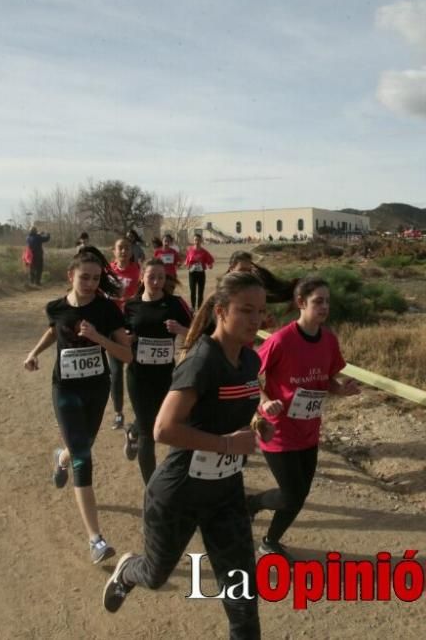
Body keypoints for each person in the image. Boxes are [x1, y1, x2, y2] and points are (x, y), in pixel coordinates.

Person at [103, 272, 267, 639]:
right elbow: (163, 429)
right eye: (246, 310)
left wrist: (257, 425)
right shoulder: (201, 361)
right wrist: (227, 445)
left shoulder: (249, 362)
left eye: (261, 311)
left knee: (243, 600)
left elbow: (234, 411)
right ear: (221, 311)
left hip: (225, 496)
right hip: (178, 496)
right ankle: (128, 569)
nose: (256, 320)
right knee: (155, 575)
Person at [23, 246, 133, 564]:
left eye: (96, 278)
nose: (90, 283)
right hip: (65, 390)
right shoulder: (56, 307)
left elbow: (126, 355)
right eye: (84, 277)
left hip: (96, 391)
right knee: (84, 459)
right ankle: (95, 540)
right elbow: (53, 330)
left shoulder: (108, 310)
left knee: (79, 447)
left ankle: (61, 458)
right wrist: (33, 354)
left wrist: (99, 338)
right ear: (70, 275)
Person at [246, 277, 360, 560]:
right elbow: (248, 374)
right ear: (301, 303)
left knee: (300, 494)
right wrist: (264, 402)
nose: (324, 307)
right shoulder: (281, 340)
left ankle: (270, 540)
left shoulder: (329, 340)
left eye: (327, 301)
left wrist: (341, 390)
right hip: (279, 430)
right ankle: (251, 503)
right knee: (291, 494)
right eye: (318, 301)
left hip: (309, 430)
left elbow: (327, 380)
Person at [121, 258, 193, 482]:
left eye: (161, 277)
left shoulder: (175, 303)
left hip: (166, 375)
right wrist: (126, 338)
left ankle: (133, 430)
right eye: (151, 276)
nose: (156, 281)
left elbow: (198, 330)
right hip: (138, 375)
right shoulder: (131, 306)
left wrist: (181, 329)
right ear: (142, 277)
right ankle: (151, 488)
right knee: (147, 434)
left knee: (171, 423)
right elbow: (119, 335)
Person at [108, 237, 142, 431]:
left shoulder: (138, 271)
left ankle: (140, 412)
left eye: (127, 248)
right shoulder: (107, 271)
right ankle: (118, 413)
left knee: (136, 370)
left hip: (132, 324)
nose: (123, 251)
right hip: (113, 326)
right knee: (115, 372)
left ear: (131, 251)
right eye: (120, 248)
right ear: (114, 251)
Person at [183, 233, 215, 311]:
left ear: (201, 241)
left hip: (201, 273)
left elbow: (210, 263)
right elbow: (186, 263)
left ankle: (200, 308)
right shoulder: (190, 250)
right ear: (193, 241)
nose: (197, 241)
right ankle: (193, 307)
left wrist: (210, 265)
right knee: (193, 291)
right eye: (195, 240)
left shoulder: (204, 252)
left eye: (198, 240)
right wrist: (188, 266)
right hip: (192, 273)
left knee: (200, 291)